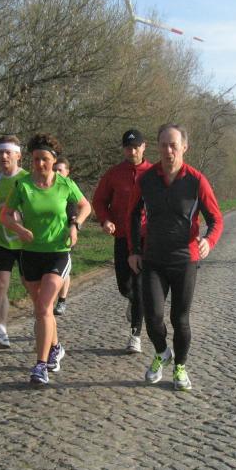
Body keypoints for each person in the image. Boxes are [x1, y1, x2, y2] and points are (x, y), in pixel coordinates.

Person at [127, 123, 223, 391]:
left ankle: (180, 366)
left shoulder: (196, 180)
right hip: (153, 259)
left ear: (184, 147)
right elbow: (132, 215)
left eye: (173, 145)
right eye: (164, 145)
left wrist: (209, 241)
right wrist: (134, 250)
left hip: (184, 260)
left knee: (180, 319)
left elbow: (216, 219)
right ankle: (162, 353)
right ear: (157, 147)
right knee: (153, 316)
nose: (168, 151)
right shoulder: (146, 180)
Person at [1, 133, 91, 385]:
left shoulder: (65, 184)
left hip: (58, 252)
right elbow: (5, 215)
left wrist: (75, 225)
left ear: (53, 160)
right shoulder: (22, 185)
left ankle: (40, 366)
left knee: (43, 307)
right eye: (36, 159)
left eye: (45, 159)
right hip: (30, 253)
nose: (40, 164)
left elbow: (85, 206)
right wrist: (19, 229)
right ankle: (55, 347)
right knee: (43, 310)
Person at [92, 129, 153, 353]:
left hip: (145, 238)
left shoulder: (153, 173)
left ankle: (135, 335)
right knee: (124, 286)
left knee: (139, 286)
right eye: (128, 148)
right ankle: (132, 300)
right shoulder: (114, 173)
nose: (132, 151)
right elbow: (99, 200)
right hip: (121, 236)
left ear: (144, 147)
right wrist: (105, 220)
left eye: (136, 147)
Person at [0, 135, 27, 350]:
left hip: (27, 242)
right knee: (0, 285)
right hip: (2, 241)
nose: (4, 156)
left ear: (18, 155)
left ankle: (44, 325)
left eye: (8, 152)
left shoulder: (28, 179)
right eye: (1, 152)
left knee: (32, 287)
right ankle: (1, 330)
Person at [52, 157, 75, 316]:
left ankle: (62, 300)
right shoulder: (46, 187)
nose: (57, 173)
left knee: (64, 270)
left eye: (60, 170)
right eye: (55, 170)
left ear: (67, 172)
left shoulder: (69, 188)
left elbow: (74, 210)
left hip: (65, 235)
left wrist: (73, 225)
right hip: (47, 236)